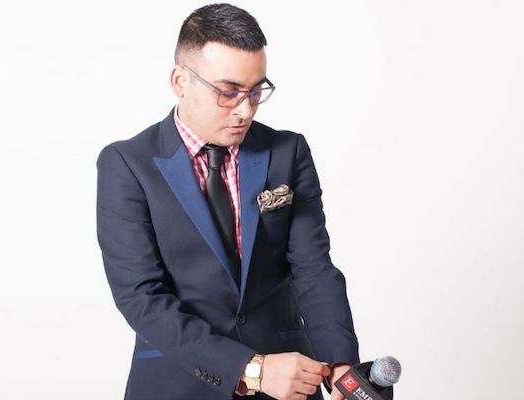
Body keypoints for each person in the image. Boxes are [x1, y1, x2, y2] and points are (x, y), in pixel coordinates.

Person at [96, 3, 359, 399]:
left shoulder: (287, 152)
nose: (245, 110)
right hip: (179, 382)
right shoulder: (127, 164)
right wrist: (252, 369)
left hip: (288, 382)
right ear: (180, 80)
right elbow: (141, 297)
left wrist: (339, 361)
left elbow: (313, 268)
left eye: (256, 92)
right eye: (228, 92)